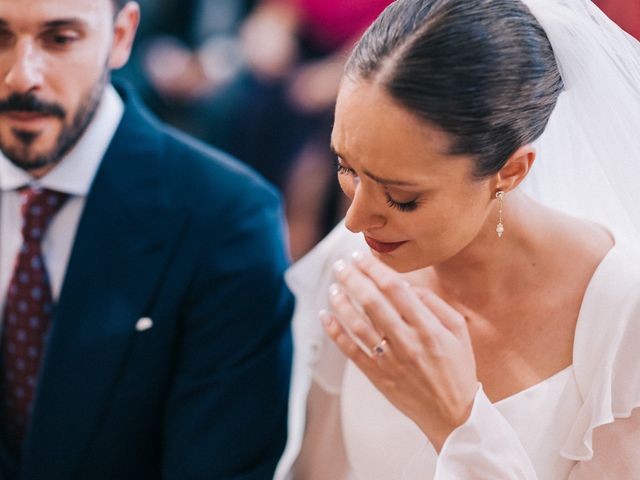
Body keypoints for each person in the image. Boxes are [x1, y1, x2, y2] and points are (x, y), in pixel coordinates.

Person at [275, 0, 640, 478]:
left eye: (401, 197)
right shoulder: (354, 267)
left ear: (510, 171)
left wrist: (458, 423)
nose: (356, 222)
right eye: (348, 168)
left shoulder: (621, 318)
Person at [0, 0, 293, 479]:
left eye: (60, 39)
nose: (21, 76)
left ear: (121, 36)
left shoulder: (227, 219)